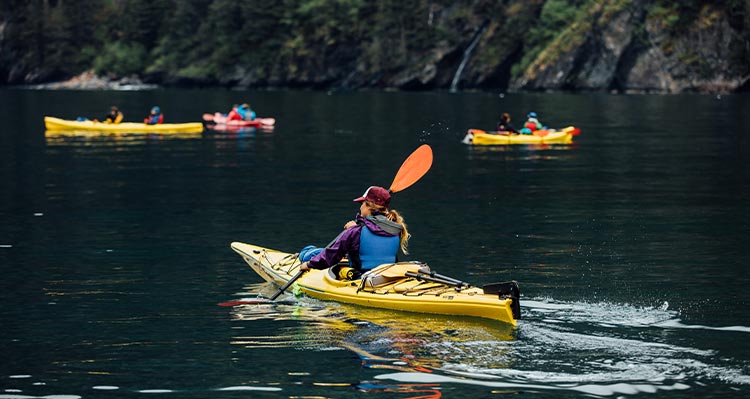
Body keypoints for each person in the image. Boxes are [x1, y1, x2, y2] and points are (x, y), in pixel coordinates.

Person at [299, 186, 410, 276]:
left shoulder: (356, 231)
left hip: (361, 278)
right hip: (387, 277)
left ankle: (302, 255)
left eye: (362, 203)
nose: (360, 207)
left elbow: (331, 256)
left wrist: (308, 265)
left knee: (309, 253)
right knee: (326, 252)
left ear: (368, 207)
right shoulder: (396, 228)